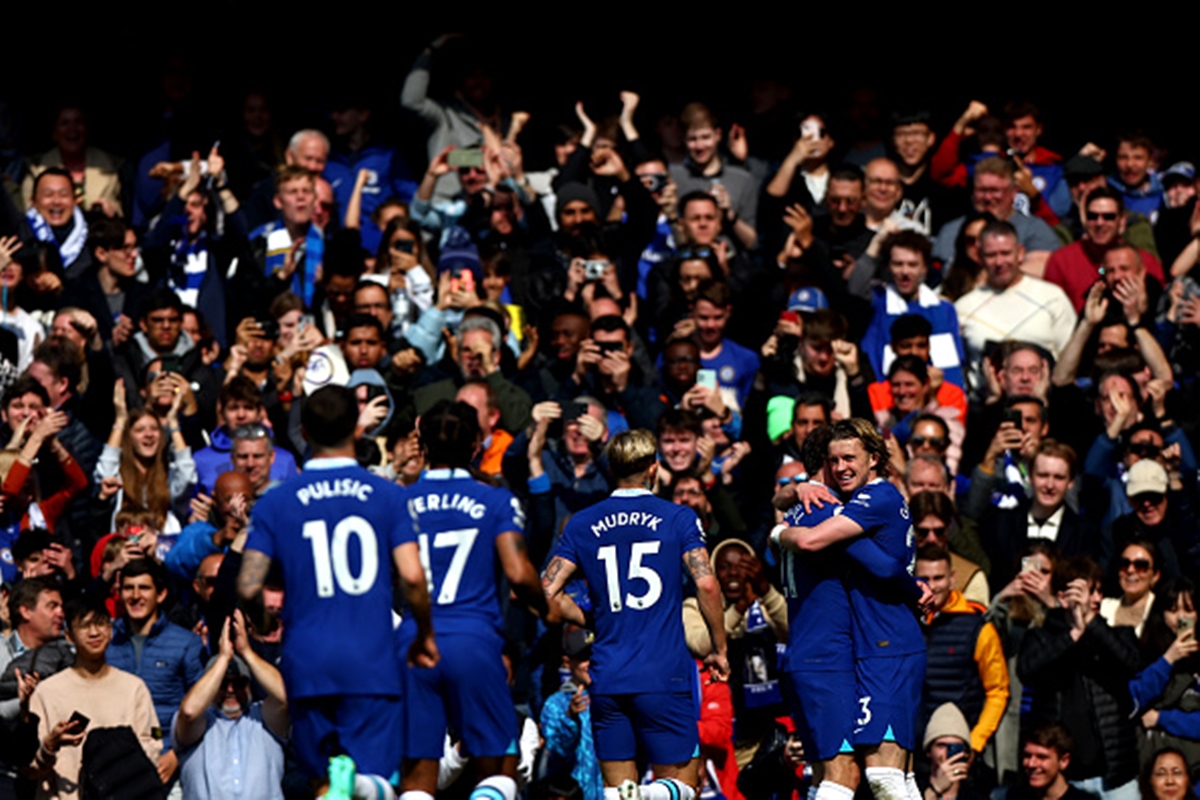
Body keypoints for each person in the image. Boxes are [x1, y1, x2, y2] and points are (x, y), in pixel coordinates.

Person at [238, 385, 436, 798]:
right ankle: (364, 785)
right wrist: (423, 634)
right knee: (375, 778)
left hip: (307, 659)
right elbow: (414, 578)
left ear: (305, 432)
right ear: (358, 430)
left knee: (325, 784)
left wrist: (261, 621)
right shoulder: (387, 496)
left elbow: (248, 584)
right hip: (371, 658)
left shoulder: (276, 502)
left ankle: (346, 784)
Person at [541, 429, 730, 800]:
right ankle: (650, 795)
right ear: (653, 468)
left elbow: (547, 591)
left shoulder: (581, 523)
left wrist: (589, 618)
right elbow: (707, 584)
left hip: (608, 675)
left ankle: (632, 795)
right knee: (682, 788)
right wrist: (719, 647)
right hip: (664, 674)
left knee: (615, 790)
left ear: (611, 469)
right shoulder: (677, 517)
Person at [400, 399, 552, 800]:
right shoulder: (494, 500)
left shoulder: (398, 502)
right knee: (500, 766)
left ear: (421, 441)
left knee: (418, 776)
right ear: (476, 445)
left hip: (414, 642)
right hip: (473, 640)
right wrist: (546, 608)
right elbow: (519, 573)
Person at [778, 418, 928, 800]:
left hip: (884, 645)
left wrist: (778, 530)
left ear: (874, 459)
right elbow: (883, 566)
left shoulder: (870, 500)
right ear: (824, 465)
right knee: (875, 777)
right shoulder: (828, 507)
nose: (842, 467)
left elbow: (881, 565)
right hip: (855, 650)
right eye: (835, 459)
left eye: (850, 457)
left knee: (880, 777)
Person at [1018, 557, 1141, 800]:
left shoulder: (1117, 634)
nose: (1094, 599)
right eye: (1086, 592)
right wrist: (1073, 633)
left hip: (1114, 776)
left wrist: (1092, 623)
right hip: (1062, 779)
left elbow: (1132, 663)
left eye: (1098, 592)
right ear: (1062, 597)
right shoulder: (1040, 638)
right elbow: (1027, 672)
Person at [27, 593, 161, 800]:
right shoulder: (47, 692)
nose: (94, 633)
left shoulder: (134, 689)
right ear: (69, 635)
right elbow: (30, 768)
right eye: (84, 626)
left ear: (110, 629)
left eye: (100, 624)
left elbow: (151, 748)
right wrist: (49, 746)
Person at [106, 558, 204, 787]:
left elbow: (202, 708)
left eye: (144, 588)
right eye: (128, 588)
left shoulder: (186, 643)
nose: (135, 595)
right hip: (115, 763)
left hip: (167, 762)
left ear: (160, 595)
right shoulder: (106, 640)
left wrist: (176, 755)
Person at [173, 612, 290, 800]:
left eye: (239, 683)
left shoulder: (263, 719)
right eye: (222, 683)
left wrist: (246, 652)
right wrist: (222, 659)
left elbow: (286, 696)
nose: (230, 690)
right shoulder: (200, 721)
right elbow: (188, 712)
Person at [914, 544, 1009, 755]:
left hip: (958, 748)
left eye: (938, 578)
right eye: (924, 579)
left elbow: (997, 691)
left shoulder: (978, 627)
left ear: (953, 578)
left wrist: (974, 742)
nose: (932, 586)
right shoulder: (902, 621)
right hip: (912, 748)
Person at [1129, 578, 1200, 772]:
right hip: (1150, 767)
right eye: (1173, 610)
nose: (1181, 618)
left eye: (1189, 610)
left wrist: (1162, 718)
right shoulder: (1144, 653)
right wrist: (1168, 659)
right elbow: (1133, 700)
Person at [1006, 722, 1096, 800]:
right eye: (1027, 756)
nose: (1031, 764)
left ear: (1063, 761)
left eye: (1041, 757)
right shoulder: (1016, 796)